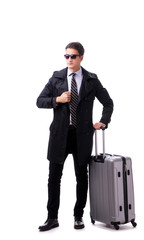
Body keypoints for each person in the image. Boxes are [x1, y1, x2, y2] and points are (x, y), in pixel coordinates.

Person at [37, 42, 113, 231]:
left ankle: (78, 216)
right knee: (54, 177)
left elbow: (108, 103)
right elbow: (39, 101)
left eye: (73, 56)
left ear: (81, 57)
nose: (69, 59)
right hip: (59, 135)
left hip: (82, 135)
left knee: (82, 176)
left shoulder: (91, 80)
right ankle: (52, 217)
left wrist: (103, 121)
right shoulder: (56, 78)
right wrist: (57, 99)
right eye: (66, 56)